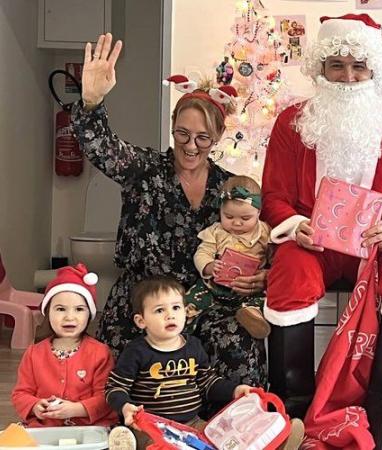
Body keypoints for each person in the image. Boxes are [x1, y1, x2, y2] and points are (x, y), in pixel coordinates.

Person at [261, 13, 382, 448]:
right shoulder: (291, 123)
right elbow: (274, 197)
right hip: (313, 243)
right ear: (320, 69)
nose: (348, 76)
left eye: (359, 66)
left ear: (374, 71)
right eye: (336, 65)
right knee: (290, 274)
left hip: (376, 247)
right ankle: (293, 411)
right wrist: (297, 225)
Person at [72, 34, 267, 385]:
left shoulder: (230, 187)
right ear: (173, 126)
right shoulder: (143, 169)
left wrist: (261, 274)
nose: (191, 146)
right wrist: (91, 101)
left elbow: (254, 236)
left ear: (219, 136)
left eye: (203, 138)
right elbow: (103, 148)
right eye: (182, 134)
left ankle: (240, 431)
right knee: (122, 379)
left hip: (201, 302)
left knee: (238, 347)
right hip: (143, 301)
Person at [104, 276, 306, 450]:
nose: (170, 315)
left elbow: (208, 383)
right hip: (151, 425)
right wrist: (124, 406)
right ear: (141, 321)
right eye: (159, 310)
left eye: (176, 307)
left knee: (224, 438)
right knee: (156, 444)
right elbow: (115, 387)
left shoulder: (193, 346)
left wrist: (235, 391)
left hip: (193, 423)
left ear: (186, 312)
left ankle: (278, 441)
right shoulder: (137, 351)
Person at [11, 264, 117, 428]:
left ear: (90, 314)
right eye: (60, 309)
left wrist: (76, 409)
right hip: (46, 426)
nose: (69, 317)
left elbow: (105, 397)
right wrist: (35, 406)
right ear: (48, 312)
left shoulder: (100, 353)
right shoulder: (34, 354)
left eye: (79, 309)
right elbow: (21, 393)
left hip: (89, 427)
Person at [185, 175, 271, 339]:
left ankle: (252, 315)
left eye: (245, 218)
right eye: (229, 217)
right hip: (214, 285)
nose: (237, 223)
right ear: (220, 211)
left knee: (263, 299)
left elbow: (275, 256)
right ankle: (186, 317)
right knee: (194, 296)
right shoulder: (216, 231)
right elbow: (202, 251)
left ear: (258, 212)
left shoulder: (264, 233)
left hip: (248, 289)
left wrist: (267, 272)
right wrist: (209, 265)